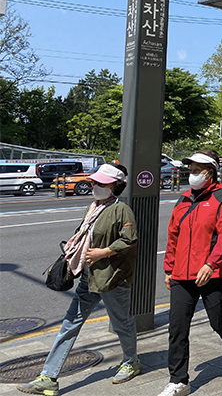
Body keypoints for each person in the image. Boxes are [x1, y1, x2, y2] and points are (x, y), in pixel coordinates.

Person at [18, 163, 140, 396]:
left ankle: (131, 361)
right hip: (88, 275)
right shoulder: (93, 207)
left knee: (122, 323)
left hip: (111, 278)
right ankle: (48, 377)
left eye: (101, 183)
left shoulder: (121, 209)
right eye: (94, 182)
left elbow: (129, 240)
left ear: (115, 185)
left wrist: (103, 252)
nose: (95, 186)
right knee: (69, 325)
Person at [158, 150, 222, 396]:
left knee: (218, 321)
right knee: (177, 327)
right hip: (181, 276)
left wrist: (211, 264)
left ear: (210, 173)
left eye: (198, 170)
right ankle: (179, 380)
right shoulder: (183, 199)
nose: (192, 174)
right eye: (191, 170)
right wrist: (168, 268)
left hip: (213, 274)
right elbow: (173, 236)